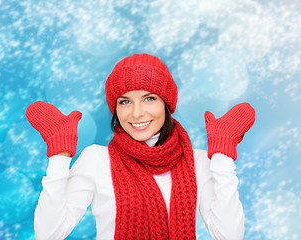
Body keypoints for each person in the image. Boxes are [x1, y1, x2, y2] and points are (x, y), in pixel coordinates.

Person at [25, 53, 255, 240]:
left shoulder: (198, 162)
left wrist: (223, 157)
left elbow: (229, 236)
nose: (137, 113)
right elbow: (48, 234)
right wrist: (59, 156)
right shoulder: (96, 159)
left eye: (149, 98)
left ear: (167, 103)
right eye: (125, 101)